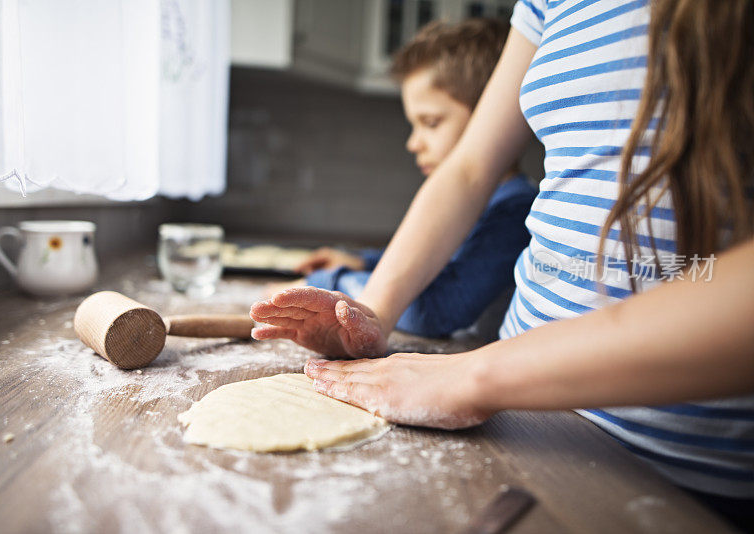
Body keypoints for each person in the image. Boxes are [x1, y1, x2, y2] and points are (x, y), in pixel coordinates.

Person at [251, 0, 754, 528]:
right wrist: (371, 310)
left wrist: (476, 374)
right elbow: (469, 167)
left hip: (680, 470)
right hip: (516, 420)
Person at [266, 19, 537, 339]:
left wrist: (328, 287)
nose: (413, 143)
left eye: (431, 122)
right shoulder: (494, 203)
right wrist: (360, 262)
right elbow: (438, 265)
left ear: (492, 115)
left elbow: (436, 309)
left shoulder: (516, 212)